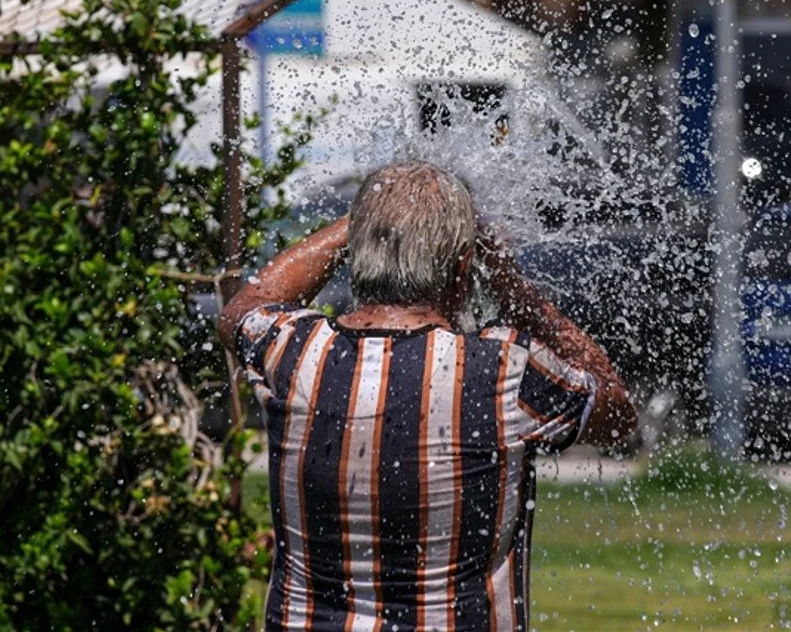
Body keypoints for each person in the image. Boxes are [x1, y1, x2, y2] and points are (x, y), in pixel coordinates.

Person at [219, 161, 637, 632]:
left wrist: (362, 224)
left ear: (359, 254)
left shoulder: (295, 353)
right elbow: (618, 411)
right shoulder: (503, 370)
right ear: (464, 270)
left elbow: (244, 308)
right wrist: (512, 284)